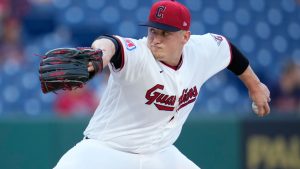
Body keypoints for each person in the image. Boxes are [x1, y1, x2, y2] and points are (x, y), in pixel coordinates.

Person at [53, 0, 271, 169]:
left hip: (159, 153)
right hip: (106, 149)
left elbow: (229, 52)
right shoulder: (139, 54)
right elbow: (112, 44)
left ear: (185, 37)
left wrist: (255, 86)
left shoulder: (201, 50)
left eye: (165, 33)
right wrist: (100, 55)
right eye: (152, 31)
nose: (155, 39)